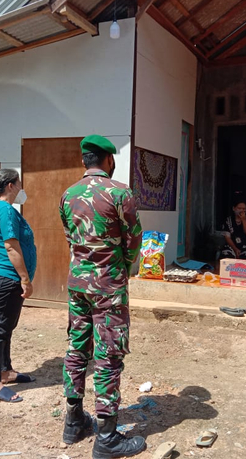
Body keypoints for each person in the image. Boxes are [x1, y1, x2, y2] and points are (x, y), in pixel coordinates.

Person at [59, 135, 146, 458]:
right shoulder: (120, 193)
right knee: (108, 356)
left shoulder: (68, 195)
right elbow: (134, 238)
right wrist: (121, 267)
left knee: (77, 347)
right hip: (108, 286)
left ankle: (73, 420)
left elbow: (70, 238)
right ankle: (107, 437)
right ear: (109, 160)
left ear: (85, 161)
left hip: (77, 284)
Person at [0, 168, 37, 403]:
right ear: (11, 185)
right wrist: (25, 279)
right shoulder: (4, 209)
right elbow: (11, 246)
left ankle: (5, 371)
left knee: (7, 327)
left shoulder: (1, 209)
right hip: (8, 279)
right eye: (19, 183)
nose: (22, 187)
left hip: (4, 276)